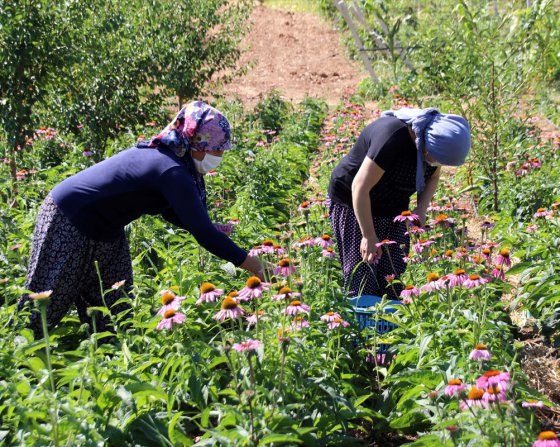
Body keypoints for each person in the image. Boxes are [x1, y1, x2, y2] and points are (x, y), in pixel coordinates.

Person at [17, 101, 267, 337]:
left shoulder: (171, 160)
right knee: (45, 303)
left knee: (117, 311)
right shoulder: (171, 169)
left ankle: (109, 366)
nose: (219, 156)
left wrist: (207, 225)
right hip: (69, 217)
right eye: (216, 148)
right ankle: (18, 359)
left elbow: (174, 211)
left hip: (107, 229)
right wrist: (254, 265)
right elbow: (203, 235)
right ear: (198, 141)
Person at [328, 107, 471, 298]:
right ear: (427, 143)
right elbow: (360, 188)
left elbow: (433, 178)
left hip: (393, 204)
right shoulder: (391, 139)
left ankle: (388, 320)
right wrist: (368, 235)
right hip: (355, 202)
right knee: (363, 269)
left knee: (392, 271)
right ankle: (363, 320)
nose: (438, 164)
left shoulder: (431, 149)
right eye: (438, 159)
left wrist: (421, 208)